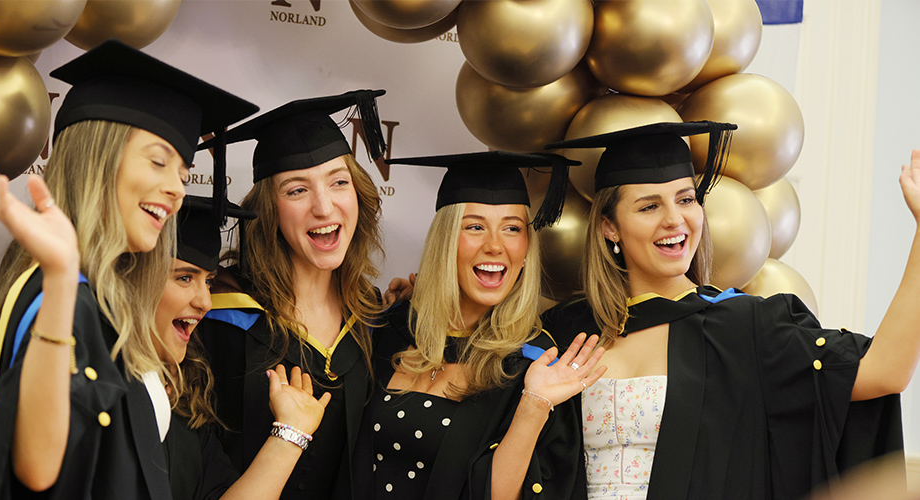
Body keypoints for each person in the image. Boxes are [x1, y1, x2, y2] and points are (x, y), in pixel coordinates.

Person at [540, 121, 918, 500]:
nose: (675, 219)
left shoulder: (746, 328)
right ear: (610, 227)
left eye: (686, 199)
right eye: (650, 206)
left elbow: (884, 370)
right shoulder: (564, 333)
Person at [0, 39, 258, 499]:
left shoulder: (111, 302)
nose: (176, 188)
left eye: (183, 169)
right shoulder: (53, 294)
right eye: (158, 161)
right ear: (99, 158)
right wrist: (59, 276)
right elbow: (37, 468)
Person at [352, 150, 604, 500]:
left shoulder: (536, 363)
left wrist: (533, 405)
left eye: (512, 229)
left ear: (527, 247)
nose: (495, 246)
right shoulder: (390, 330)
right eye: (474, 227)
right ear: (445, 241)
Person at [195, 90, 389, 500]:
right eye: (297, 190)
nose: (324, 207)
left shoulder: (374, 316)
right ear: (270, 209)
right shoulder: (216, 317)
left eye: (339, 182)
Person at [156, 195, 332, 500]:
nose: (205, 302)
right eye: (185, 278)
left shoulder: (184, 398)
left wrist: (290, 432)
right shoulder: (92, 390)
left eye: (209, 281)